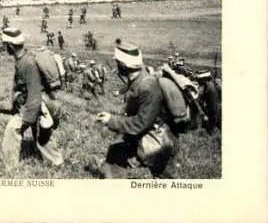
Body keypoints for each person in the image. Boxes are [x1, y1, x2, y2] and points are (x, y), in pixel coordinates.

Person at [91, 39, 179, 178]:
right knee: (116, 151)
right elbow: (132, 110)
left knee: (164, 175)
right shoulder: (137, 80)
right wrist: (112, 114)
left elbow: (140, 123)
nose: (117, 65)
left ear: (123, 65)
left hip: (159, 139)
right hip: (148, 133)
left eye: (118, 62)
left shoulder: (147, 86)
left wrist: (111, 121)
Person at [0, 27, 64, 170]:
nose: (4, 48)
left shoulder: (27, 63)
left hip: (36, 104)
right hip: (35, 104)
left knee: (12, 130)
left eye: (5, 45)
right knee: (42, 136)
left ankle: (10, 168)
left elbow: (34, 92)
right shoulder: (23, 59)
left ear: (10, 45)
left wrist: (26, 119)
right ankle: (56, 162)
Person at [195, 70, 221, 134]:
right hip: (213, 112)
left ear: (204, 79)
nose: (198, 81)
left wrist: (205, 115)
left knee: (211, 129)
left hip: (213, 113)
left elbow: (213, 105)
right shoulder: (209, 85)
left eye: (199, 80)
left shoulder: (209, 87)